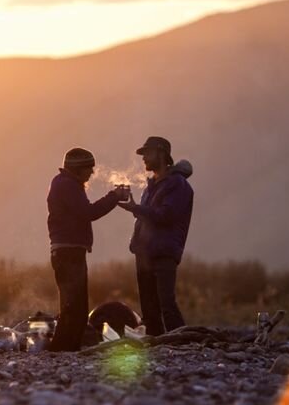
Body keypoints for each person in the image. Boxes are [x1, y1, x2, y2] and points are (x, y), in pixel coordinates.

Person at [46, 147, 121, 351]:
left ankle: (67, 349)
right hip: (69, 252)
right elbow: (88, 213)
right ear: (78, 169)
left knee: (75, 305)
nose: (92, 173)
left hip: (69, 251)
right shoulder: (67, 185)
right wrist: (113, 197)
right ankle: (61, 350)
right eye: (89, 168)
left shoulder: (66, 184)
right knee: (74, 306)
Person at [118, 136, 194, 336]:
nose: (144, 158)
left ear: (161, 154)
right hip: (144, 253)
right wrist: (135, 209)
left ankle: (182, 342)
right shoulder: (152, 186)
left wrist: (137, 208)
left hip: (163, 252)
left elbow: (166, 216)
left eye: (147, 153)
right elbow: (149, 216)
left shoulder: (177, 184)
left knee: (166, 303)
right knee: (149, 308)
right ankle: (157, 344)